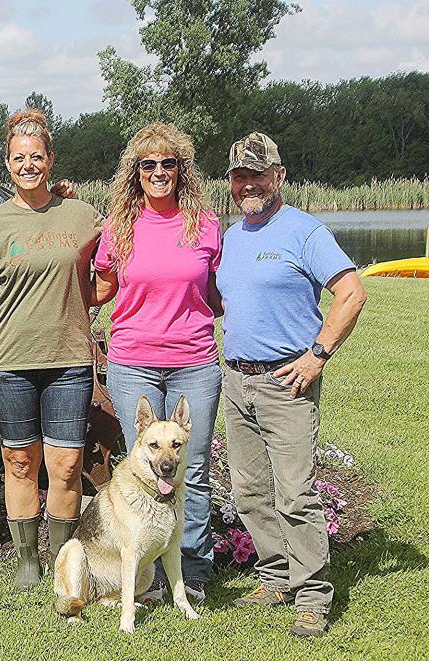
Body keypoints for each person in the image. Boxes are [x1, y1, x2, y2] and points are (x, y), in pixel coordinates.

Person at [216, 132, 367, 637]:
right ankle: (277, 574)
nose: (249, 184)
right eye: (240, 176)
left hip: (287, 381)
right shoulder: (232, 236)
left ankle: (312, 594)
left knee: (296, 491)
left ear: (278, 176)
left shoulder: (305, 231)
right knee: (250, 490)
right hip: (237, 380)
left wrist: (318, 354)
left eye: (259, 174)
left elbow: (351, 292)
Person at [0, 109, 102, 591]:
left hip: (69, 360)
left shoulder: (82, 216)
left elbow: (111, 268)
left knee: (66, 465)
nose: (28, 165)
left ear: (50, 160)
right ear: (7, 163)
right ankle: (27, 560)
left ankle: (63, 557)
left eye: (36, 157)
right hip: (11, 363)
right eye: (19, 158)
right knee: (20, 462)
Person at [92, 122, 223, 603]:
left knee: (195, 466)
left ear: (182, 169)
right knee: (145, 468)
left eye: (169, 163)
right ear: (136, 172)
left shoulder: (205, 224)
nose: (160, 171)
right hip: (134, 362)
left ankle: (192, 573)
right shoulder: (119, 227)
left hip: (195, 360)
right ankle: (145, 571)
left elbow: (216, 292)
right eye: (149, 164)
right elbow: (102, 287)